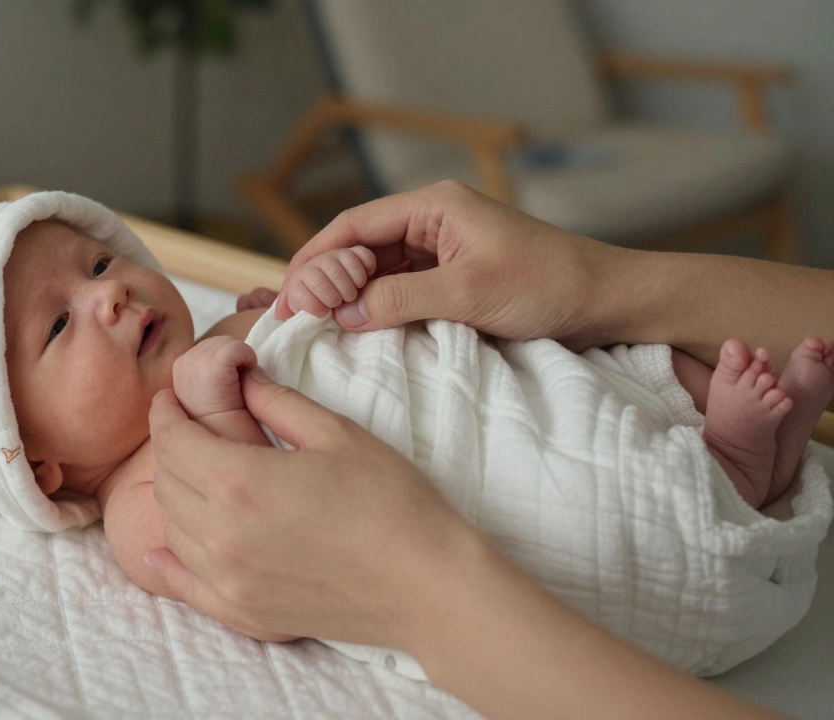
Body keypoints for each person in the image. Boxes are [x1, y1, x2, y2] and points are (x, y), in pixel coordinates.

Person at [144, 180, 834, 720]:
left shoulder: (224, 322)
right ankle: (738, 465)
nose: (105, 298)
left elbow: (316, 325)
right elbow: (241, 534)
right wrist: (212, 403)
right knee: (590, 485)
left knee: (601, 375)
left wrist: (317, 286)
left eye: (99, 262)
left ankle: (737, 449)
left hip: (478, 389)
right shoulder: (131, 481)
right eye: (55, 327)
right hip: (480, 489)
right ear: (48, 469)